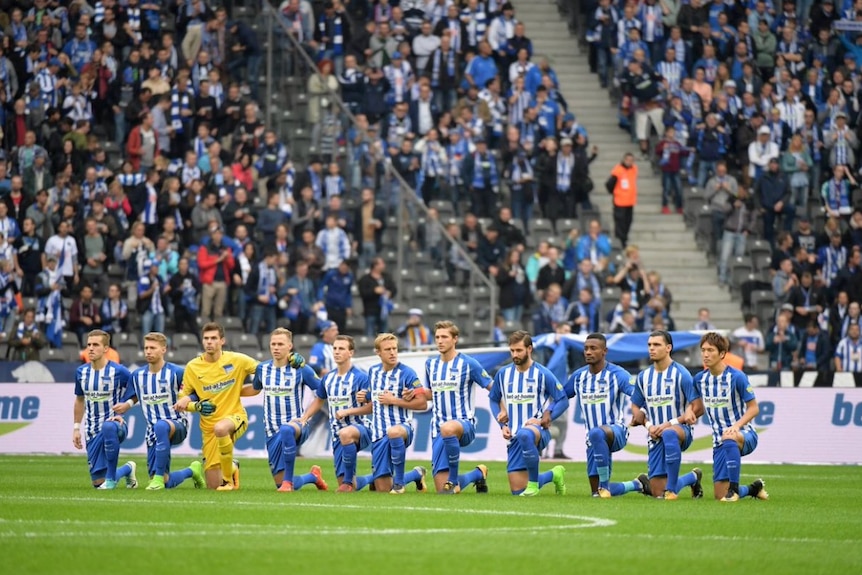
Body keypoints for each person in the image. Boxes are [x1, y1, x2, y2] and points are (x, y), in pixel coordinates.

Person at [298, 335, 392, 492]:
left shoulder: (361, 377)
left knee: (346, 434)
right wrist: (305, 417)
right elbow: (319, 400)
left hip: (360, 428)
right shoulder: (328, 378)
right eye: (335, 348)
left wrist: (349, 411)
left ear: (351, 353)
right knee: (348, 484)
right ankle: (371, 479)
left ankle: (348, 483)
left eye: (341, 348)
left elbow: (373, 406)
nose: (337, 352)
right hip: (337, 435)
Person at [112, 332, 204, 491]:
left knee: (162, 426)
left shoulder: (177, 373)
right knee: (166, 482)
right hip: (152, 432)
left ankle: (158, 479)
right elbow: (132, 396)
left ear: (163, 350)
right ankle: (192, 471)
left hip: (177, 425)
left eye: (152, 348)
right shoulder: (137, 375)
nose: (148, 351)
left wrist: (187, 399)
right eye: (146, 348)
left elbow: (197, 392)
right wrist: (124, 408)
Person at [174, 322, 259, 491]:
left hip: (235, 417)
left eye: (213, 338)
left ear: (222, 341)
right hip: (208, 428)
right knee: (213, 486)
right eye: (206, 338)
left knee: (221, 429)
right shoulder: (192, 367)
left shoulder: (237, 360)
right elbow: (182, 400)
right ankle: (232, 468)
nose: (209, 342)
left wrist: (255, 387)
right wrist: (195, 406)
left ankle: (228, 481)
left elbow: (263, 370)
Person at [565, 333, 650, 497]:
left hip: (616, 431)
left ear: (604, 351)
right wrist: (546, 412)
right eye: (586, 349)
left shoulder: (618, 374)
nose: (588, 352)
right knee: (595, 494)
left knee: (597, 432)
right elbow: (561, 398)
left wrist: (641, 411)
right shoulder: (578, 376)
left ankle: (604, 486)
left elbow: (638, 395)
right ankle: (637, 484)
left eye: (593, 348)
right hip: (592, 439)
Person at [488, 330, 568, 496]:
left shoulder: (542, 373)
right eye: (512, 351)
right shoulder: (503, 374)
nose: (515, 354)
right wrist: (502, 425)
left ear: (529, 349)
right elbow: (493, 399)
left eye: (519, 350)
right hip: (514, 436)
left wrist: (547, 416)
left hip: (537, 431)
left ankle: (533, 485)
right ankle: (554, 474)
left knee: (526, 434)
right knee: (518, 492)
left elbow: (563, 400)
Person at [248, 328, 327, 492]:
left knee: (286, 429)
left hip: (296, 426)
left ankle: (288, 485)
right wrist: (231, 392)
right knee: (279, 481)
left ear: (290, 346)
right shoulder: (262, 369)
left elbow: (322, 392)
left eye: (280, 344)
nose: (276, 348)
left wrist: (305, 417)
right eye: (273, 344)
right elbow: (255, 389)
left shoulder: (301, 369)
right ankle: (313, 477)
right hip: (271, 432)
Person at [694, 332, 769, 501]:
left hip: (744, 434)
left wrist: (736, 426)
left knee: (729, 437)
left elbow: (754, 408)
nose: (705, 354)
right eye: (703, 350)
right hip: (719, 441)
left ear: (722, 354)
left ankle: (734, 490)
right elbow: (696, 408)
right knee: (719, 495)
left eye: (710, 350)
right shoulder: (699, 379)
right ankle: (752, 489)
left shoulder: (737, 377)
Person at [630, 330, 705, 499]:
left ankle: (672, 490)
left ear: (668, 347)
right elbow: (635, 407)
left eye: (656, 345)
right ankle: (693, 478)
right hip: (655, 436)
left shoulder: (681, 373)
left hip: (680, 431)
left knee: (670, 433)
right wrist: (649, 426)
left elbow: (698, 407)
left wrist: (670, 423)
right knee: (658, 494)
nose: (651, 348)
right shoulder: (644, 376)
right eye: (649, 345)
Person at [423, 321, 493, 494]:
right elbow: (432, 393)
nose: (440, 341)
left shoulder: (469, 364)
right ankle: (477, 474)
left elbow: (493, 388)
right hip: (438, 428)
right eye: (437, 337)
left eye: (444, 337)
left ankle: (453, 480)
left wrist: (504, 412)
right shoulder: (430, 365)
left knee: (448, 428)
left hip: (464, 424)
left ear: (455, 339)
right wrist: (410, 393)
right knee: (443, 492)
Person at [357, 333, 428, 493]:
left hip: (402, 428)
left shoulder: (407, 373)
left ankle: (400, 484)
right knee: (383, 489)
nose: (392, 352)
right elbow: (373, 396)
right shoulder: (373, 372)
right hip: (378, 434)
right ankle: (417, 474)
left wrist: (394, 400)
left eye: (395, 349)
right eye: (387, 349)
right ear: (378, 352)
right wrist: (365, 396)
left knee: (393, 432)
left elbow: (423, 403)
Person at [73, 330, 137, 489]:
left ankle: (111, 480)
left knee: (108, 427)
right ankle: (128, 468)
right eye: (89, 345)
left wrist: (125, 406)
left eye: (96, 345)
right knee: (97, 484)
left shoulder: (119, 371)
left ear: (106, 348)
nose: (91, 348)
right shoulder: (81, 372)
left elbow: (136, 391)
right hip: (91, 430)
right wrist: (76, 428)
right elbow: (80, 400)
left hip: (115, 426)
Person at [607, 153, 638, 248]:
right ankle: (620, 241)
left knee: (628, 222)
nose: (629, 162)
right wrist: (616, 193)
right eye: (627, 160)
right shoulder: (618, 170)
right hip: (620, 202)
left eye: (631, 160)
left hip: (630, 201)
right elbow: (609, 184)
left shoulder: (634, 169)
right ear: (624, 159)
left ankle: (624, 239)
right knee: (620, 223)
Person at [834, 322, 862, 386]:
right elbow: (837, 356)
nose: (854, 331)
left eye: (856, 330)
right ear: (848, 331)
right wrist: (839, 369)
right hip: (846, 374)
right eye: (852, 329)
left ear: (859, 331)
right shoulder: (843, 343)